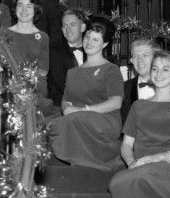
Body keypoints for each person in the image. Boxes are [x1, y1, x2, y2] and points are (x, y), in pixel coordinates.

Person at [109, 51, 170, 198]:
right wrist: (131, 162)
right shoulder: (139, 106)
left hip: (169, 164)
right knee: (116, 182)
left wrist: (160, 157)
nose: (158, 74)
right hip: (140, 165)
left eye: (165, 69)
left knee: (137, 179)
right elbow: (126, 145)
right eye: (155, 69)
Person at [48, 16, 124, 171]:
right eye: (88, 37)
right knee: (53, 125)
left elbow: (116, 102)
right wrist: (67, 109)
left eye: (96, 39)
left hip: (106, 120)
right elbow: (66, 101)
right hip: (78, 119)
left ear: (105, 43)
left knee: (71, 121)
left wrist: (84, 110)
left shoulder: (111, 69)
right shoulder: (73, 72)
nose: (89, 42)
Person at [121, 38, 170, 124]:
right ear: (131, 61)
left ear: (155, 58)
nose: (140, 60)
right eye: (135, 56)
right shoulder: (124, 88)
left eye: (145, 55)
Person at [6, 0, 49, 99]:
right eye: (20, 5)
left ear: (36, 9)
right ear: (15, 8)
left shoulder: (43, 37)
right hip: (8, 86)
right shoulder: (4, 34)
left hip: (35, 88)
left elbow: (43, 71)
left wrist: (26, 84)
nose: (24, 10)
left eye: (29, 6)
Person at [47, 9, 87, 107]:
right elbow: (62, 83)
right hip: (61, 107)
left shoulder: (92, 50)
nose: (68, 29)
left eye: (72, 24)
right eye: (64, 25)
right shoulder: (54, 51)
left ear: (82, 27)